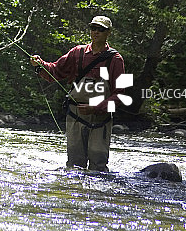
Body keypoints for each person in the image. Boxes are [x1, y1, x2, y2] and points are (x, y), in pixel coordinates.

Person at [29, 15, 125, 171]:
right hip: (75, 114)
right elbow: (55, 71)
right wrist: (39, 66)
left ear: (109, 33)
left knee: (98, 164)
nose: (96, 32)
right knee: (74, 165)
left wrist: (96, 107)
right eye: (93, 28)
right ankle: (74, 193)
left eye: (101, 29)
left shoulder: (117, 59)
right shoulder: (77, 52)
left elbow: (121, 94)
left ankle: (97, 194)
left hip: (101, 117)